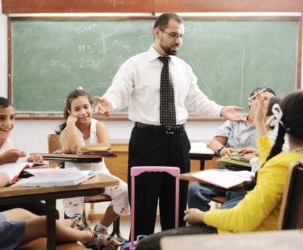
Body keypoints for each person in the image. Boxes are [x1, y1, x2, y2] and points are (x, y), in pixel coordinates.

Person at [94, 12, 245, 237]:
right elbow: (119, 93)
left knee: (174, 206)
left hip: (177, 141)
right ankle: (141, 244)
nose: (179, 41)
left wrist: (221, 110)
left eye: (182, 36)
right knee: (143, 205)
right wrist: (110, 103)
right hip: (146, 140)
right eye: (174, 35)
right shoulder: (134, 65)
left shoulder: (183, 68)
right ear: (157, 32)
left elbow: (197, 100)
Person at [135, 89, 303, 250]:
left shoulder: (282, 165)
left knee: (146, 244)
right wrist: (260, 124)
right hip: (277, 238)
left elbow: (244, 220)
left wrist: (203, 216)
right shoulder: (302, 162)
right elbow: (271, 160)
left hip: (246, 238)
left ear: (281, 121)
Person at [0, 96, 119, 250]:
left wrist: (25, 163)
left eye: (12, 118)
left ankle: (61, 226)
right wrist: (5, 170)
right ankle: (87, 237)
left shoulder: (6, 143)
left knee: (22, 212)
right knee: (42, 222)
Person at [0, 96, 58, 218]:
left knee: (50, 212)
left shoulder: (8, 142)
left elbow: (9, 166)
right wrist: (1, 159)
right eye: (1, 118)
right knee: (39, 216)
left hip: (5, 193)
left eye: (12, 118)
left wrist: (28, 161)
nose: (8, 123)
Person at [55, 87, 129, 235]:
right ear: (70, 113)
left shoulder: (99, 125)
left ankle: (101, 228)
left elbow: (105, 145)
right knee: (72, 195)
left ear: (92, 107)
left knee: (125, 191)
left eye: (86, 107)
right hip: (74, 176)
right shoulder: (66, 131)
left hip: (99, 174)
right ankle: (84, 231)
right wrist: (70, 124)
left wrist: (77, 149)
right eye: (77, 109)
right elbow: (74, 147)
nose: (83, 112)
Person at [187, 87, 276, 211]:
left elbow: (272, 156)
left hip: (250, 174)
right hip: (225, 171)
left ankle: (217, 222)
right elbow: (215, 141)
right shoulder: (235, 121)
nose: (265, 102)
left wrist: (256, 156)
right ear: (250, 101)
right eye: (263, 98)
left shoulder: (271, 127)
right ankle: (200, 228)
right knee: (195, 189)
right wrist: (222, 149)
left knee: (236, 195)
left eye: (271, 101)